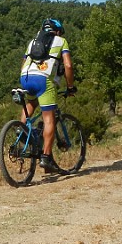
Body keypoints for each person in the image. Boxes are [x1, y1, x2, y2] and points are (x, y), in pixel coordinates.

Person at [19, 18, 76, 173]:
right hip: (44, 80)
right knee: (49, 118)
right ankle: (45, 157)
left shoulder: (32, 42)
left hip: (25, 77)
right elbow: (68, 65)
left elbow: (24, 63)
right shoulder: (61, 41)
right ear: (57, 31)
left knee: (31, 104)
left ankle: (21, 130)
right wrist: (70, 86)